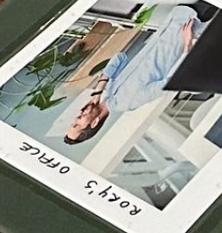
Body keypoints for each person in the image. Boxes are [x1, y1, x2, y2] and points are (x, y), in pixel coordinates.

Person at [61, 7, 201, 145]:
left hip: (173, 20)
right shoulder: (129, 103)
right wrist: (187, 44)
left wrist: (98, 90)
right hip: (186, 30)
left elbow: (119, 58)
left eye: (73, 121)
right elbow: (171, 83)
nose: (77, 117)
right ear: (94, 122)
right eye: (77, 124)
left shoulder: (109, 91)